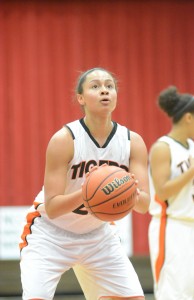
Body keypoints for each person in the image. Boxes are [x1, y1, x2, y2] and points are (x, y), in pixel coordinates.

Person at [19, 67, 150, 300]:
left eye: (109, 86)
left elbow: (143, 205)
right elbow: (53, 207)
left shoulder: (133, 142)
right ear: (81, 98)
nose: (104, 91)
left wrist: (129, 191)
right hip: (50, 234)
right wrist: (89, 191)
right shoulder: (65, 139)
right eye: (95, 86)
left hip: (97, 235)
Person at [148, 86, 194, 300]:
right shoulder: (163, 147)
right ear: (188, 117)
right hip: (172, 227)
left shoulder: (193, 147)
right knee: (174, 294)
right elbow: (162, 191)